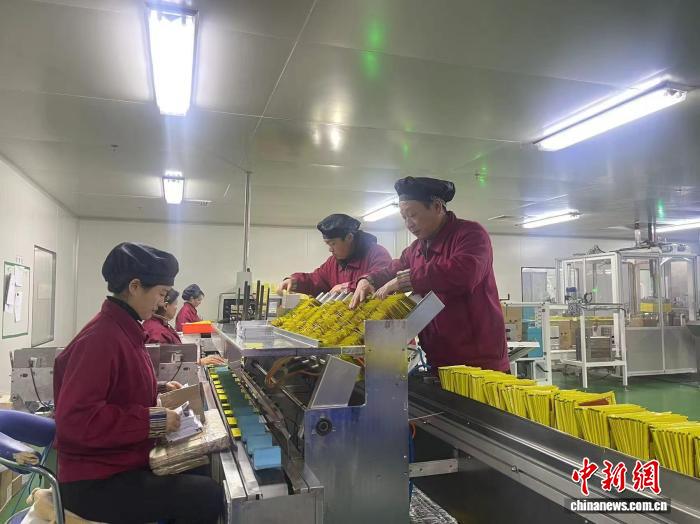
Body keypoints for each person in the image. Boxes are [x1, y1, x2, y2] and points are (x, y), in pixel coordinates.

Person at [54, 242, 222, 524]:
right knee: (205, 495)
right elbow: (77, 420)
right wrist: (153, 420)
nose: (162, 303)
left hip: (119, 461)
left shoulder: (124, 328)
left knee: (200, 469)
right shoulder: (101, 339)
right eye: (161, 293)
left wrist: (158, 390)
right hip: (94, 482)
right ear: (134, 286)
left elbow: (116, 387)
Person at [351, 177, 509, 372]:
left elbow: (463, 273)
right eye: (404, 217)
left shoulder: (471, 235)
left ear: (437, 207)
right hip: (439, 359)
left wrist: (404, 280)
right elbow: (392, 269)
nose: (408, 224)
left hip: (480, 362)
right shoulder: (416, 249)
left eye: (413, 215)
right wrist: (368, 280)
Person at [279, 213, 392, 296]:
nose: (330, 249)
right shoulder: (333, 262)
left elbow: (381, 277)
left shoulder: (376, 253)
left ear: (349, 237)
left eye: (333, 243)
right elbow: (316, 280)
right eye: (328, 244)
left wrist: (346, 288)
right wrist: (295, 282)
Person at [144, 288, 226, 367]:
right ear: (165, 306)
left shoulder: (160, 324)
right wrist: (199, 361)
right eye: (175, 304)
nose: (176, 308)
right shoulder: (157, 332)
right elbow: (167, 366)